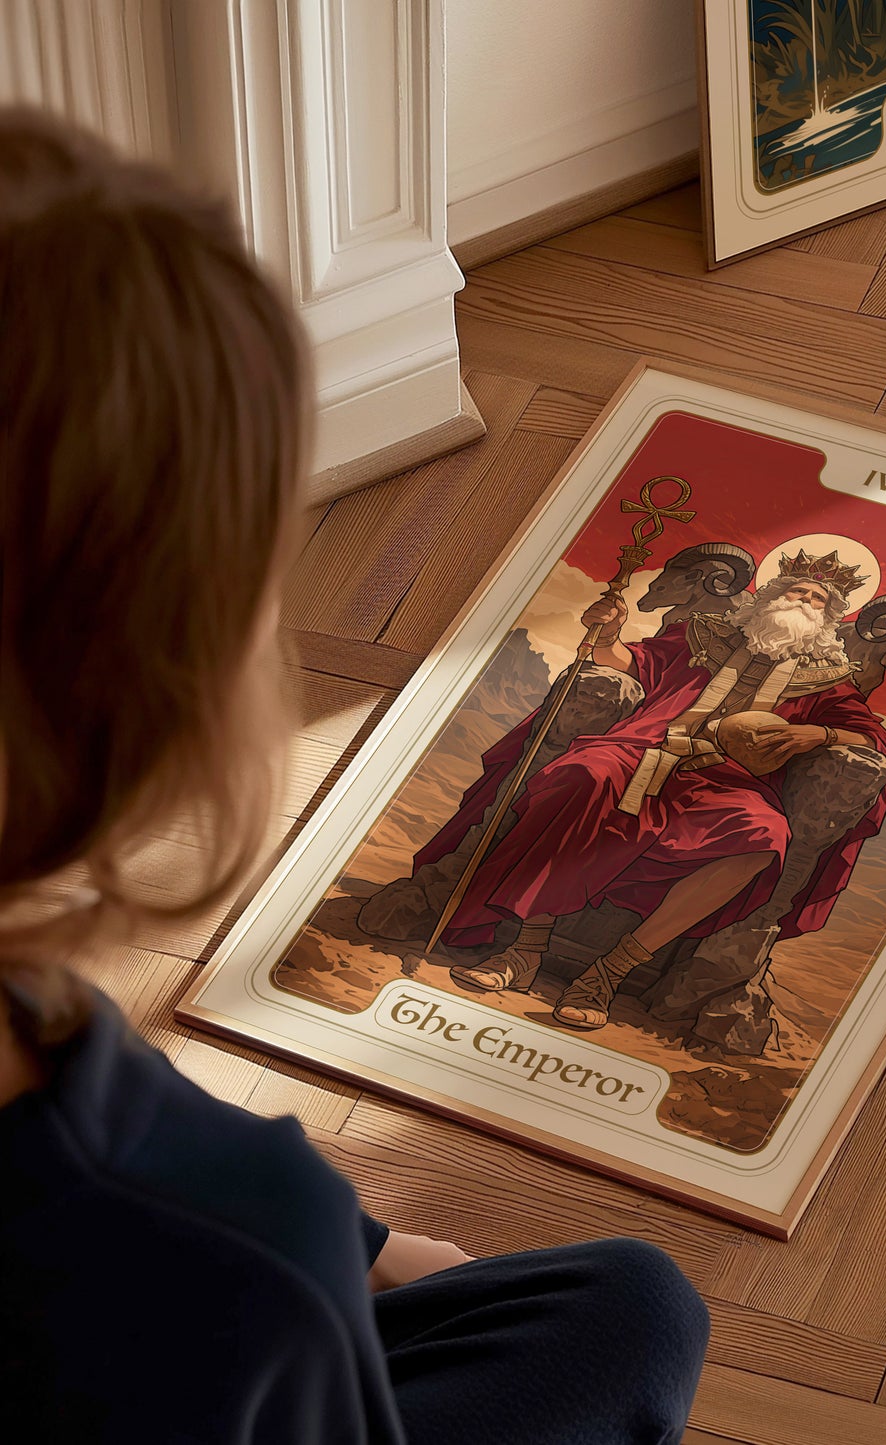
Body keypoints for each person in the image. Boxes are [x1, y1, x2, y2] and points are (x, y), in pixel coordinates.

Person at [0, 107, 709, 1443]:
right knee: (632, 1315)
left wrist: (357, 1238)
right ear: (158, 685)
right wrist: (319, 1249)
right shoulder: (227, 1254)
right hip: (189, 1344)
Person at [414, 551, 886, 1030]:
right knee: (583, 775)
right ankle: (524, 951)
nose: (804, 601)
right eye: (798, 590)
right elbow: (632, 663)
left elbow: (871, 736)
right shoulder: (702, 635)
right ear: (771, 595)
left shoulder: (827, 680)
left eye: (818, 600)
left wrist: (820, 734)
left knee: (764, 838)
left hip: (726, 779)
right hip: (640, 748)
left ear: (828, 619)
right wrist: (605, 633)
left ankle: (606, 976)